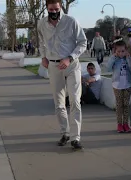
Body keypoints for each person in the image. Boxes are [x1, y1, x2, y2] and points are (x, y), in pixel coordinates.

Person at [38, 0, 87, 150]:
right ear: (47, 8)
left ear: (61, 7)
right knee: (59, 103)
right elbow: (41, 42)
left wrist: (70, 57)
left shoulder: (71, 21)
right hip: (53, 66)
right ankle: (65, 133)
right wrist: (43, 57)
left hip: (71, 65)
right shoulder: (41, 24)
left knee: (74, 100)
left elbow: (83, 42)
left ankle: (75, 137)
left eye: (56, 8)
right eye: (51, 9)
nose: (54, 12)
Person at [107, 36, 131, 133]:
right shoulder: (114, 59)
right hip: (117, 85)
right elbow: (108, 68)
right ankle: (119, 124)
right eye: (118, 51)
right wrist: (113, 57)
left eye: (123, 51)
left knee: (126, 104)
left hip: (127, 84)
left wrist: (129, 58)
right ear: (115, 51)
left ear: (125, 50)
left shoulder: (127, 58)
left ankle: (126, 124)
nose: (121, 53)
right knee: (119, 105)